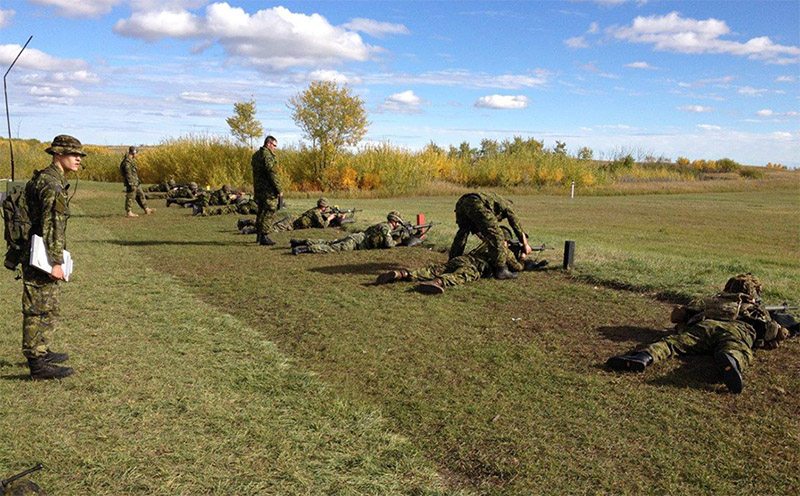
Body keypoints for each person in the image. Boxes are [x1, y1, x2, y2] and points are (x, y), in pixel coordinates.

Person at [606, 274, 791, 394]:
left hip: (705, 327)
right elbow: (772, 332)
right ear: (754, 293)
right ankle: (730, 360)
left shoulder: (710, 301)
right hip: (739, 331)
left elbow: (679, 316)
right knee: (737, 349)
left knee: (672, 343)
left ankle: (644, 357)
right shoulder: (756, 310)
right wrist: (781, 332)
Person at [20, 135, 85, 380]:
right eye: (73, 154)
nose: (78, 159)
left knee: (48, 305)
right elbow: (52, 225)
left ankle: (42, 350)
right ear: (58, 154)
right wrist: (56, 262)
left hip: (37, 250)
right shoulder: (52, 185)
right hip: (41, 255)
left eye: (79, 155)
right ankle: (37, 364)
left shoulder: (45, 178)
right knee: (37, 308)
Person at [376, 226, 546, 294]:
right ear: (507, 241)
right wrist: (523, 258)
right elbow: (517, 267)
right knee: (460, 276)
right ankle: (437, 283)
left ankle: (402, 274)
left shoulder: (486, 244)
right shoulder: (504, 249)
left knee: (434, 268)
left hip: (462, 258)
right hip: (474, 266)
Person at [449, 192, 532, 280]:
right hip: (476, 202)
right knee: (498, 234)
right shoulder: (507, 206)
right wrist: (526, 245)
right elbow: (516, 226)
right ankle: (501, 270)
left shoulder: (494, 201)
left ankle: (453, 260)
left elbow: (479, 230)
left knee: (462, 233)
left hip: (462, 203)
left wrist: (491, 241)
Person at [291, 211, 406, 254]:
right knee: (334, 248)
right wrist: (397, 241)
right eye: (398, 223)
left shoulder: (382, 225)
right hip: (356, 243)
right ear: (395, 222)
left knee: (330, 242)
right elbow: (389, 244)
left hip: (355, 238)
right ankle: (305, 248)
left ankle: (303, 242)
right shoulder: (386, 228)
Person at [251, 135, 282, 246]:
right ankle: (264, 235)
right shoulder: (267, 155)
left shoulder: (256, 155)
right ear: (268, 144)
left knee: (261, 212)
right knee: (270, 210)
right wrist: (279, 189)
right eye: (274, 145)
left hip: (258, 189)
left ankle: (259, 235)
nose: (275, 148)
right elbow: (272, 173)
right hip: (268, 189)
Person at [119, 146, 154, 217]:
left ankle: (146, 209)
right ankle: (129, 212)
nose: (136, 155)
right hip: (132, 183)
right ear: (133, 152)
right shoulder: (127, 162)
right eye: (136, 153)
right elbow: (128, 174)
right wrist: (131, 184)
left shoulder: (131, 161)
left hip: (136, 182)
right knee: (130, 196)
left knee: (141, 195)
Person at [272, 197, 341, 231]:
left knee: (274, 227)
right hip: (292, 222)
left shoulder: (317, 210)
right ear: (323, 207)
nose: (327, 208)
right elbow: (323, 226)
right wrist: (329, 219)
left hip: (294, 219)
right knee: (274, 229)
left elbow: (326, 213)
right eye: (326, 207)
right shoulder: (316, 212)